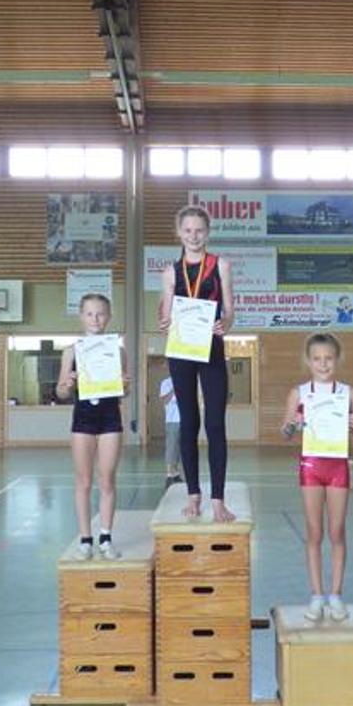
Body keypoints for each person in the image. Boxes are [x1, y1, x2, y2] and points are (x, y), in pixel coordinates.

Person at [158, 206, 235, 522]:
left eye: (199, 230)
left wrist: (225, 323)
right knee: (188, 422)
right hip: (181, 351)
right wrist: (164, 320)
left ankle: (218, 499)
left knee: (215, 424)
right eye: (188, 230)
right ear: (179, 233)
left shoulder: (221, 265)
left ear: (208, 232)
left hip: (211, 348)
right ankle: (193, 495)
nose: (193, 236)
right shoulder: (170, 272)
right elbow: (165, 311)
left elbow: (229, 310)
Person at [281, 333, 353, 622]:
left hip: (338, 466)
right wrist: (293, 425)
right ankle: (316, 595)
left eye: (328, 358)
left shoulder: (348, 394)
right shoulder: (299, 393)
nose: (323, 364)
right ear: (308, 361)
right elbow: (285, 432)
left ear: (337, 359)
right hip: (311, 466)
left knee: (337, 531)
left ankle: (336, 594)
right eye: (317, 358)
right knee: (314, 532)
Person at [56, 293, 126, 560]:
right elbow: (61, 392)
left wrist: (126, 384)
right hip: (83, 419)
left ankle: (106, 537)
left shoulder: (117, 351)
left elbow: (125, 392)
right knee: (83, 481)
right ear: (81, 316)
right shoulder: (71, 351)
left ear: (109, 317)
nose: (95, 319)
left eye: (100, 314)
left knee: (107, 479)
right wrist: (68, 384)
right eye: (89, 314)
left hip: (110, 419)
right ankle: (85, 539)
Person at [160, 367, 183, 490]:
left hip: (184, 419)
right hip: (172, 420)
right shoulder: (166, 383)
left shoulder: (185, 381)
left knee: (180, 448)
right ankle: (169, 474)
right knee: (171, 447)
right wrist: (174, 389)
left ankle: (176, 473)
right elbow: (165, 400)